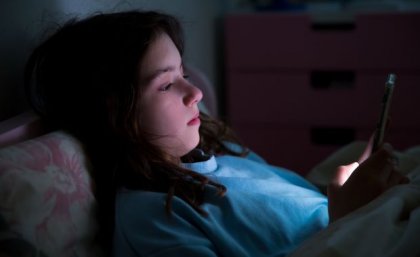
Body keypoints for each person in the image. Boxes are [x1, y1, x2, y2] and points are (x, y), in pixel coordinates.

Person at [23, 10, 409, 257]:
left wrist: (348, 197)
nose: (196, 93)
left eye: (184, 75)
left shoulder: (216, 148)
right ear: (113, 114)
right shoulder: (151, 215)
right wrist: (346, 218)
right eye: (165, 85)